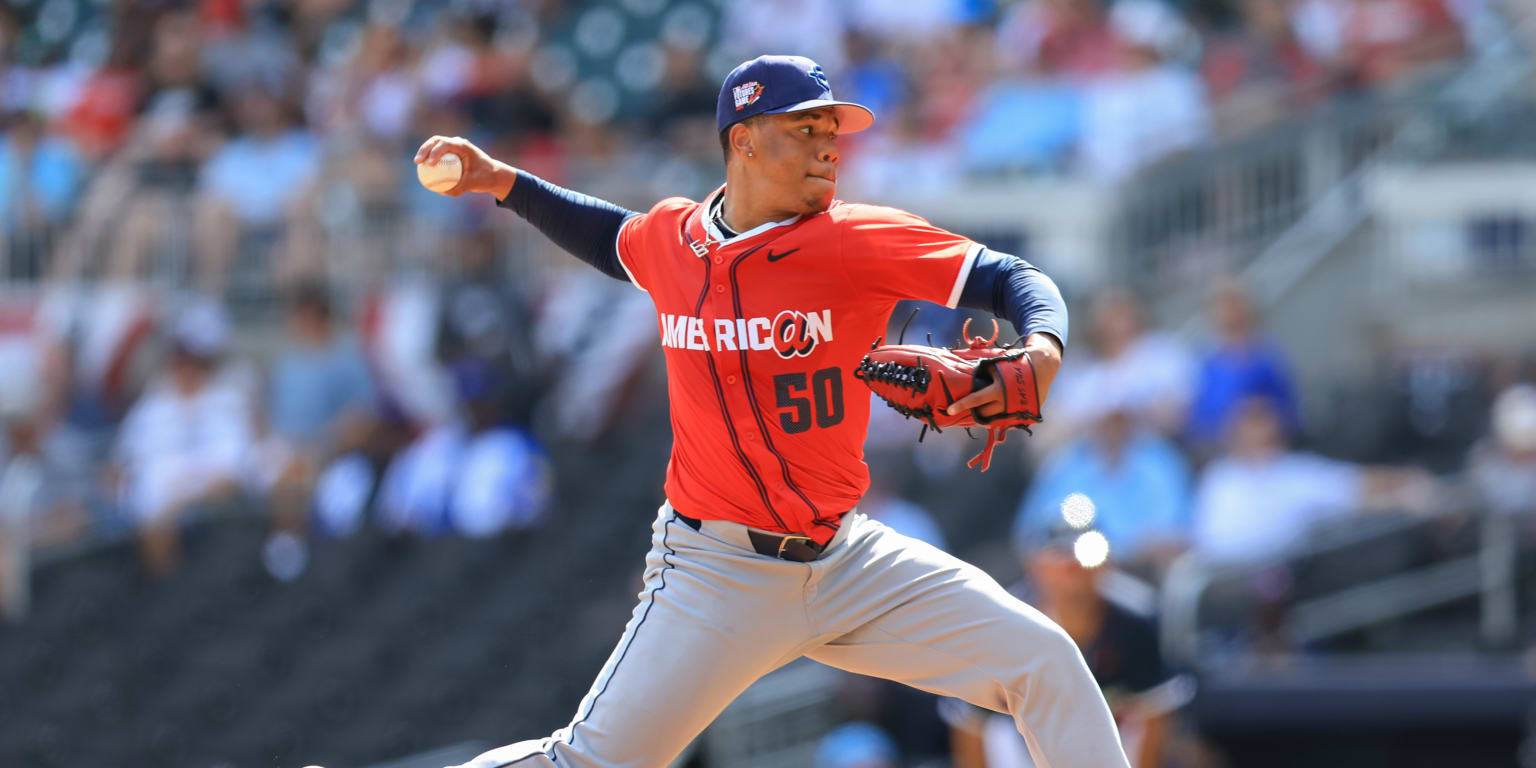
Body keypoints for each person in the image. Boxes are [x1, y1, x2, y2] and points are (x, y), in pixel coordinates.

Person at [414, 55, 1129, 768]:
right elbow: (607, 237)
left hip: (849, 560)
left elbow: (1014, 278)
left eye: (833, 130)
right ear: (745, 140)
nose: (829, 145)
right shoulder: (676, 240)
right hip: (717, 572)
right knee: (591, 762)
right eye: (806, 128)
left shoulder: (853, 240)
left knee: (1045, 662)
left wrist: (1043, 345)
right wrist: (502, 182)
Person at [948, 523, 1186, 768]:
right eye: (1059, 554)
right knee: (997, 730)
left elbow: (1155, 713)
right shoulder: (1001, 623)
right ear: (1034, 564)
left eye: (1084, 553)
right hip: (1023, 743)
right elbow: (971, 723)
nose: (1073, 566)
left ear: (1108, 562)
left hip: (1109, 742)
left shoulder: (1136, 618)